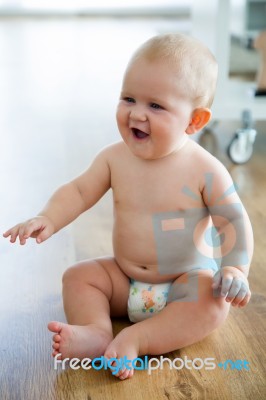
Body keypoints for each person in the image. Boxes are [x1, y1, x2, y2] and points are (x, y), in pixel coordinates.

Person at [3, 33, 253, 380]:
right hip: (126, 279)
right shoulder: (114, 158)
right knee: (79, 277)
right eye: (129, 98)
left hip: (184, 282)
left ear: (194, 121)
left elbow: (232, 220)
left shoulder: (204, 169)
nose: (136, 113)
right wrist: (48, 217)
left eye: (156, 106)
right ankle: (96, 331)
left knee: (213, 304)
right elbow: (78, 191)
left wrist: (235, 270)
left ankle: (140, 338)